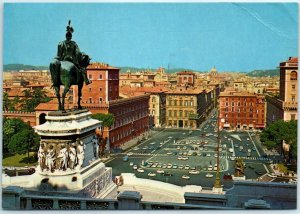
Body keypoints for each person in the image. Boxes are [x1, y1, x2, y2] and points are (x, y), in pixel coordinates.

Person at [56, 20, 91, 85]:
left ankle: (54, 81)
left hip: (63, 59)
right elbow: (78, 53)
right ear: (71, 37)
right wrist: (83, 54)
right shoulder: (74, 43)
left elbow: (59, 54)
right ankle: (86, 81)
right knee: (82, 69)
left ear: (65, 36)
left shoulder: (61, 43)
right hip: (72, 59)